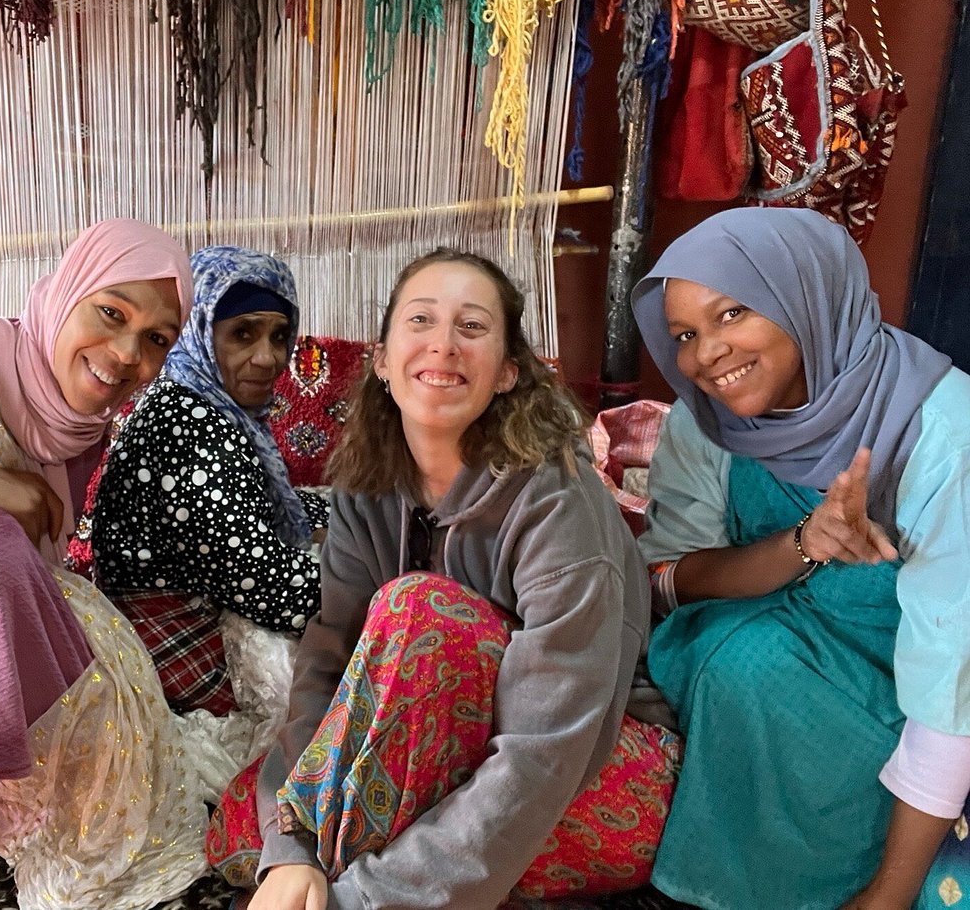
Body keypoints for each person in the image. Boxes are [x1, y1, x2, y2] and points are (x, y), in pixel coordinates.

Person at [207, 248, 679, 910]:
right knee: (246, 823)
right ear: (380, 359)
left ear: (510, 372)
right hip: (444, 757)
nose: (444, 345)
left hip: (598, 771)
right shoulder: (366, 486)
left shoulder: (558, 501)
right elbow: (328, 661)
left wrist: (357, 899)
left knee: (416, 613)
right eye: (422, 320)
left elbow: (547, 752)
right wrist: (293, 852)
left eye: (473, 327)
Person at [631, 206, 970, 910]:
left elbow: (951, 681)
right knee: (743, 663)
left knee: (763, 679)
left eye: (732, 315)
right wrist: (803, 545)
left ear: (806, 295)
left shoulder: (943, 438)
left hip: (909, 689)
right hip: (747, 645)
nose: (706, 356)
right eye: (686, 335)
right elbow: (665, 583)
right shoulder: (710, 420)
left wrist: (891, 893)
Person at [0, 219, 211, 910]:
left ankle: (23, 819)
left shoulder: (78, 424)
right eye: (111, 313)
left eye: (155, 340)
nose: (123, 354)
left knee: (104, 645)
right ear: (67, 291)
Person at [89, 245, 327, 716]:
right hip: (175, 649)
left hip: (198, 610)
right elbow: (261, 580)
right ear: (197, 331)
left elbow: (254, 501)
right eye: (243, 334)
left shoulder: (209, 404)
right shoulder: (188, 418)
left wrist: (353, 512)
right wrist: (383, 590)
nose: (268, 358)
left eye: (280, 336)